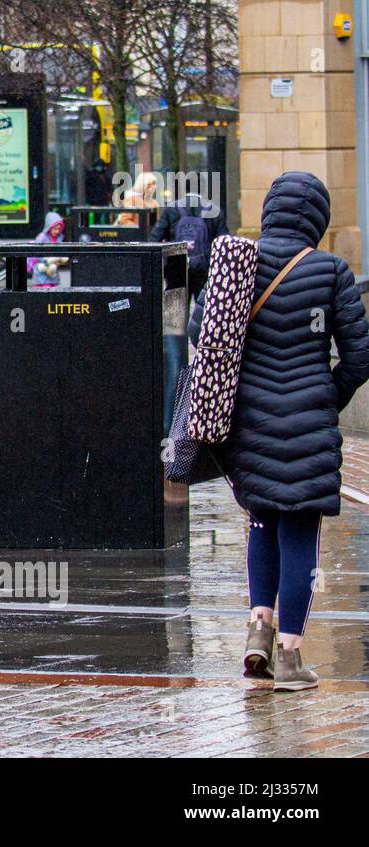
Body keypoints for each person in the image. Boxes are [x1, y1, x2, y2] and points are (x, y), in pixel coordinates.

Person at [189, 171, 369, 691]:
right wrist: (326, 396)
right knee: (301, 534)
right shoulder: (332, 271)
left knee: (261, 524)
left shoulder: (236, 265)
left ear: (269, 211)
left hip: (248, 424)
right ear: (317, 218)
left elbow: (204, 334)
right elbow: (359, 356)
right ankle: (290, 656)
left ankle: (257, 631)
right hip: (309, 422)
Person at [150, 191, 230, 299]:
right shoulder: (215, 211)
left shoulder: (170, 209)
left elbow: (154, 240)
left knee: (176, 311)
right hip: (205, 269)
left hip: (176, 267)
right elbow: (225, 243)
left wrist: (175, 246)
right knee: (203, 310)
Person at [27, 211, 66, 287]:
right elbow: (36, 252)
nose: (57, 231)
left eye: (59, 229)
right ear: (49, 227)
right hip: (41, 272)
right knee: (45, 290)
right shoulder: (42, 238)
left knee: (54, 289)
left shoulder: (59, 238)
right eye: (55, 229)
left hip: (53, 273)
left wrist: (58, 260)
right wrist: (46, 261)